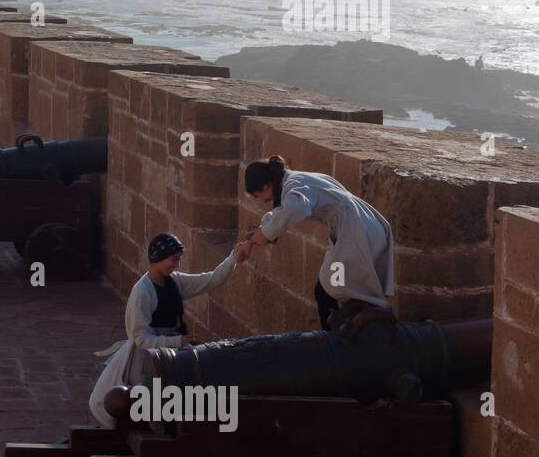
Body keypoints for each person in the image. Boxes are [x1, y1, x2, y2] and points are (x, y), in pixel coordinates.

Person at [88, 233, 247, 426]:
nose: (177, 265)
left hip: (170, 354)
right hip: (146, 358)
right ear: (158, 258)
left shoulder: (175, 282)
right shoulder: (142, 292)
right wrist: (178, 342)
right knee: (144, 404)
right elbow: (141, 339)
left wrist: (233, 258)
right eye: (173, 260)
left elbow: (210, 280)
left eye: (178, 260)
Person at [243, 155, 395, 330]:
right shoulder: (295, 181)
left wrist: (267, 233)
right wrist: (262, 230)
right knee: (333, 287)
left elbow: (296, 208)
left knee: (331, 288)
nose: (263, 200)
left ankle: (336, 340)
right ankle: (345, 331)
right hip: (364, 224)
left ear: (266, 186)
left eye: (259, 195)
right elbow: (283, 210)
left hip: (354, 231)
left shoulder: (292, 186)